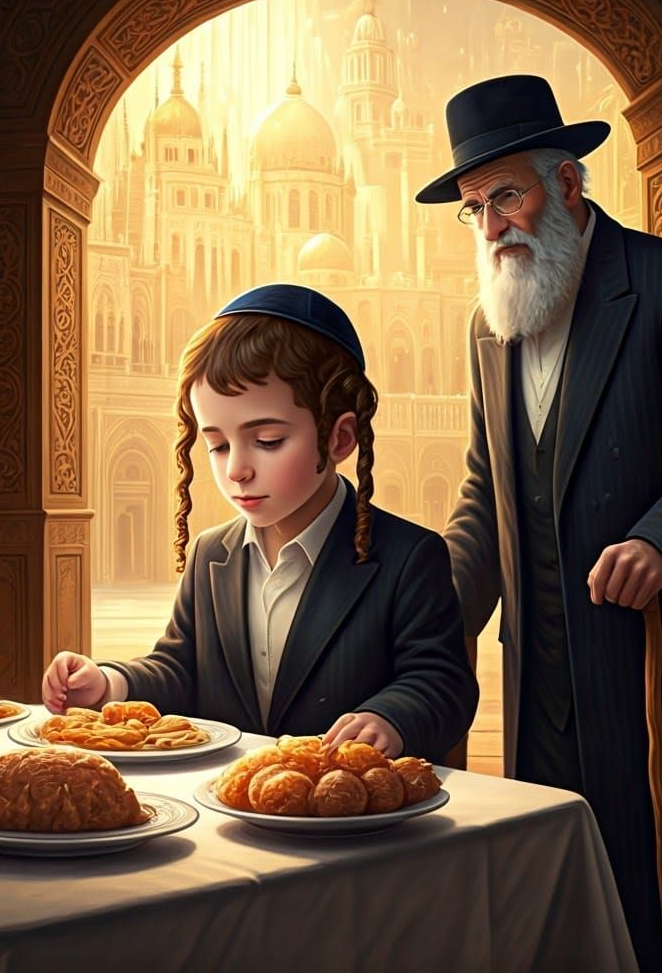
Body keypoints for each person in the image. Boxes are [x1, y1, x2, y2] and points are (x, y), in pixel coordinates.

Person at [415, 75, 662, 971]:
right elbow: (483, 493)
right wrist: (426, 617)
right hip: (545, 682)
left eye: (507, 194)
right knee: (564, 909)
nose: (493, 225)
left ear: (568, 185)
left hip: (661, 670)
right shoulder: (485, 324)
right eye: (474, 207)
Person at [42, 283, 478, 763]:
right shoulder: (213, 554)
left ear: (339, 438)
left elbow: (441, 681)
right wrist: (109, 682)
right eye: (219, 445)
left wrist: (390, 718)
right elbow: (179, 667)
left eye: (267, 440)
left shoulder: (407, 556)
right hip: (231, 809)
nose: (236, 470)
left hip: (349, 815)